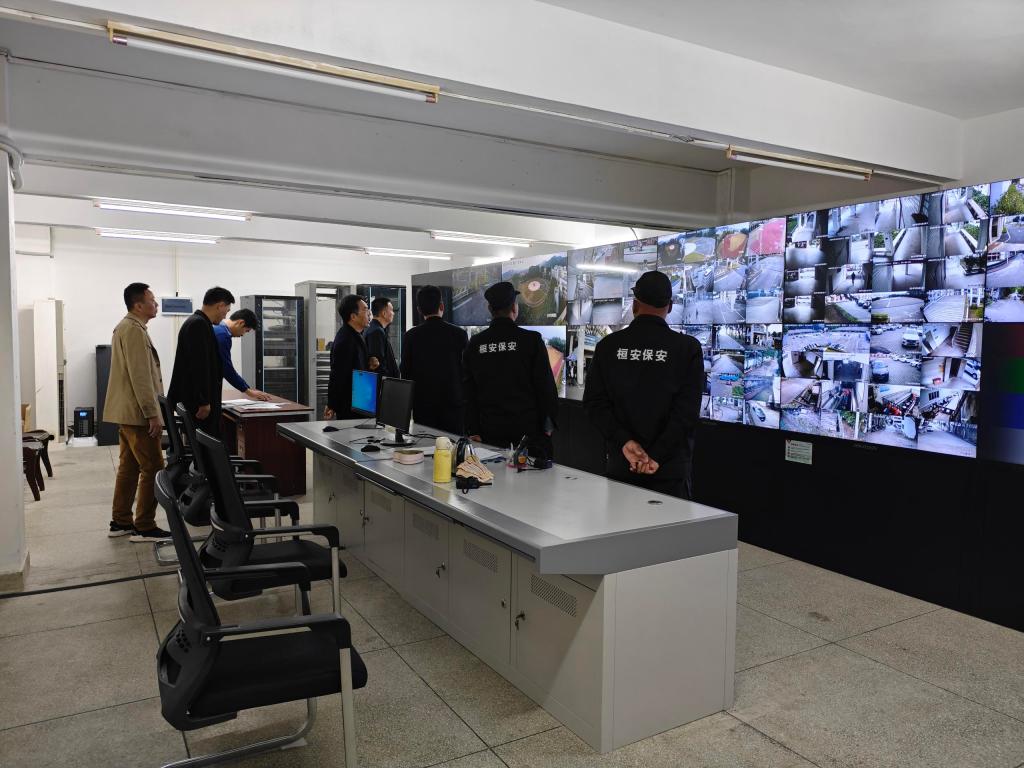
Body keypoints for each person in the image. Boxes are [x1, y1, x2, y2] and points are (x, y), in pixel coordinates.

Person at [583, 271, 704, 499]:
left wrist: (625, 442)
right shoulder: (688, 348)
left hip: (622, 465)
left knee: (621, 521)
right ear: (670, 306)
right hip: (669, 471)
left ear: (634, 305)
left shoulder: (608, 346)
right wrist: (656, 455)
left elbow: (594, 404)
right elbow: (687, 413)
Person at [103, 282, 170, 541]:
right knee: (154, 467)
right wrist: (152, 413)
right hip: (138, 413)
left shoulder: (128, 327)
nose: (156, 304)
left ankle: (121, 521)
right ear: (139, 305)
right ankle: (144, 525)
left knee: (129, 468)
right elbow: (140, 377)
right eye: (152, 300)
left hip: (128, 412)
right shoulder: (133, 330)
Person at [463, 281, 558, 450]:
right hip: (529, 433)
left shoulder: (475, 343)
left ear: (490, 309)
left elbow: (468, 391)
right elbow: (546, 388)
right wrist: (548, 425)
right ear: (514, 308)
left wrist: (473, 429)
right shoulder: (532, 340)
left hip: (488, 432)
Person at [167, 286, 234, 437]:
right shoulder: (198, 325)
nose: (225, 316)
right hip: (198, 406)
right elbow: (199, 366)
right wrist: (203, 401)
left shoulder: (198, 322)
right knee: (205, 445)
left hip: (196, 401)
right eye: (226, 311)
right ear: (220, 305)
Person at [401, 285, 468, 434]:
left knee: (425, 444)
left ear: (419, 310)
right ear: (442, 306)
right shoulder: (459, 334)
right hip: (453, 406)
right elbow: (466, 371)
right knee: (452, 445)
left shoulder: (410, 336)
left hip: (423, 407)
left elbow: (405, 372)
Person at [325, 294, 379, 419]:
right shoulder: (346, 340)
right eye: (365, 310)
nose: (369, 313)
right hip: (350, 406)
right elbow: (337, 374)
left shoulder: (355, 334)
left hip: (360, 401)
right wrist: (332, 404)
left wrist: (369, 361)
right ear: (353, 317)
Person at [213, 308, 272, 401]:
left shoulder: (218, 328)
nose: (243, 334)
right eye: (246, 330)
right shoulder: (222, 335)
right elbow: (226, 368)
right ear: (241, 323)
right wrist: (248, 391)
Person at [364, 296, 400, 379]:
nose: (393, 313)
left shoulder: (374, 328)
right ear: (384, 313)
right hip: (382, 383)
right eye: (391, 310)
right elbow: (378, 364)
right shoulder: (376, 331)